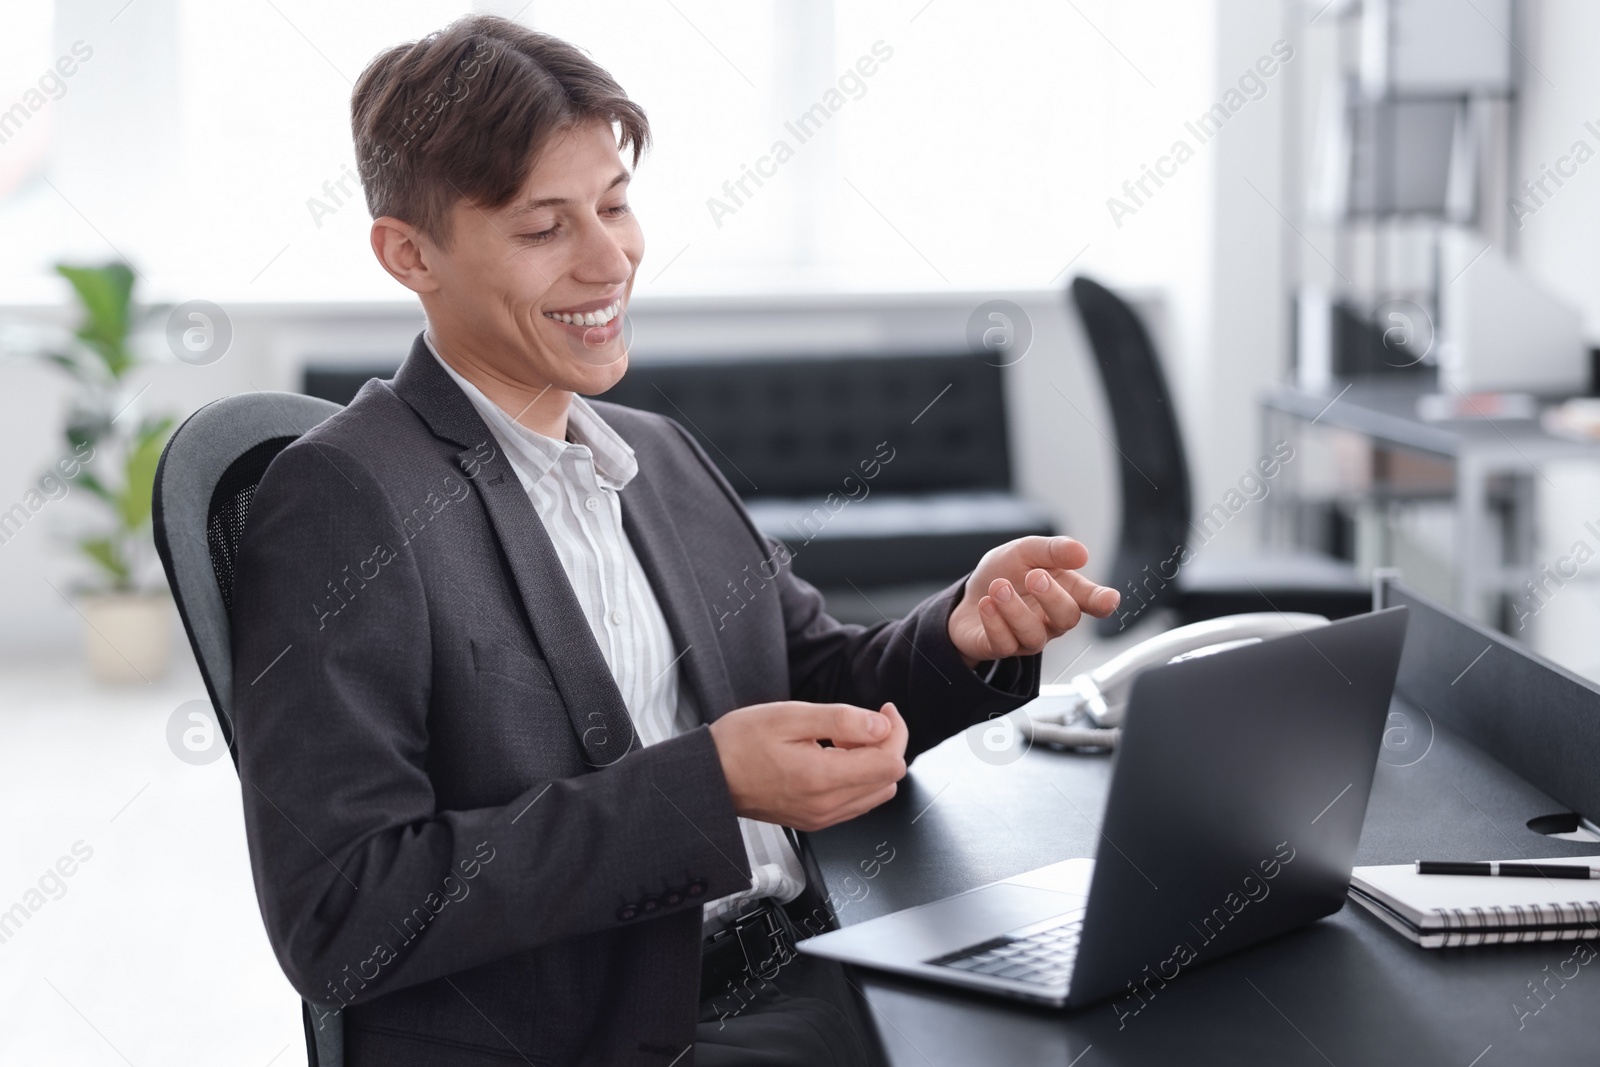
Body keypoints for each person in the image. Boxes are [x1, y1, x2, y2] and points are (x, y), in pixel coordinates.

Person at [231, 14, 1119, 1067]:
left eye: (614, 205)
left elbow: (813, 674)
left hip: (814, 950)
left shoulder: (656, 453)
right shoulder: (345, 498)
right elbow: (343, 910)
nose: (609, 260)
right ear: (408, 253)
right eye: (542, 227)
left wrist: (963, 632)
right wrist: (706, 788)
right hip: (620, 1030)